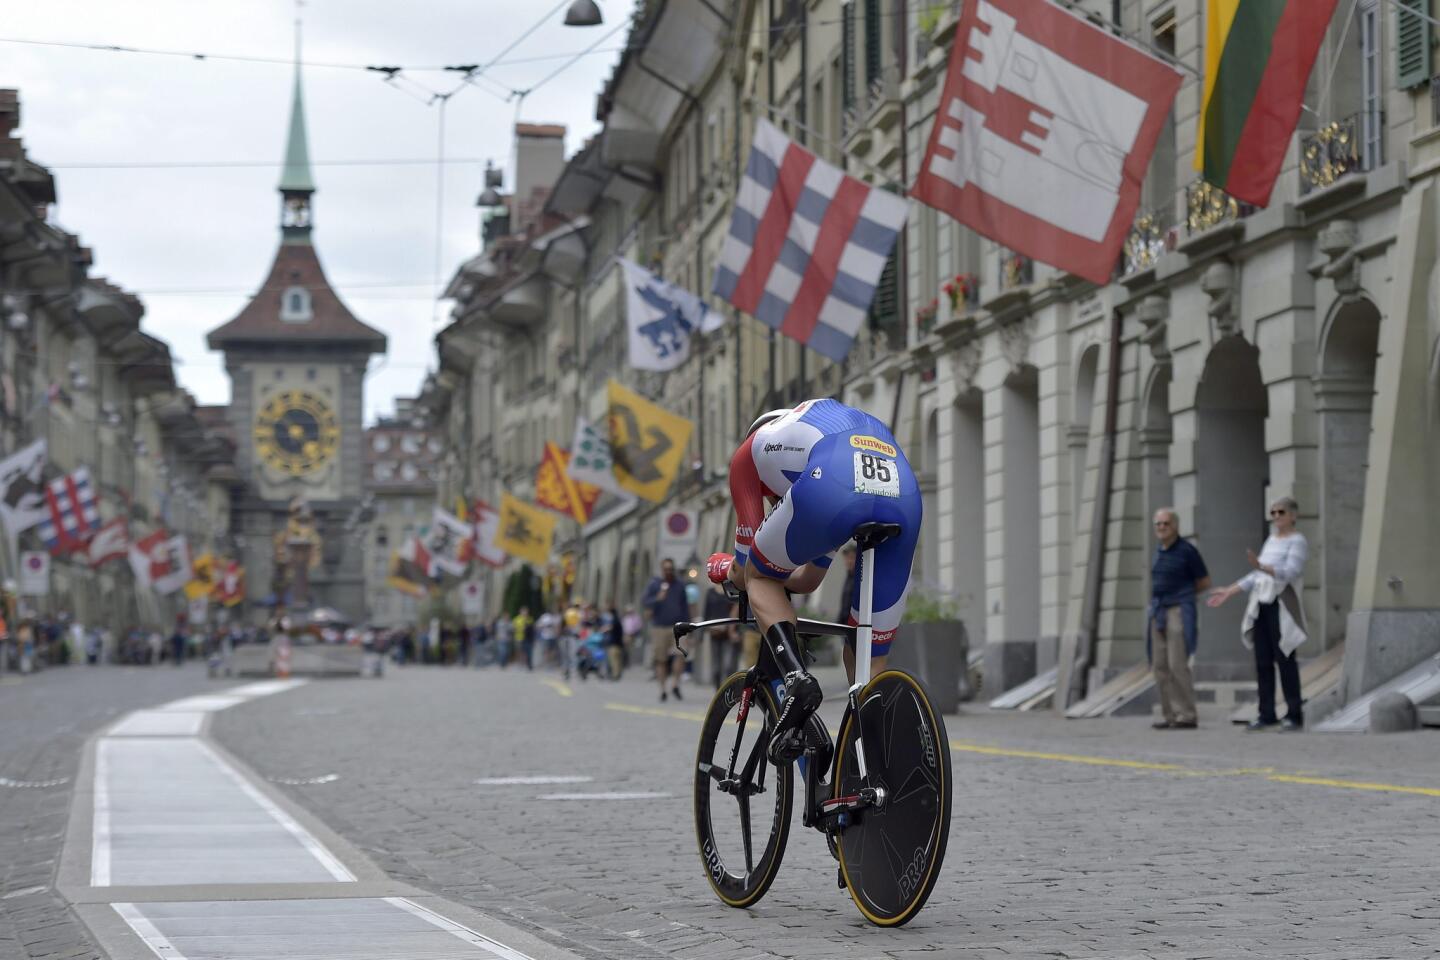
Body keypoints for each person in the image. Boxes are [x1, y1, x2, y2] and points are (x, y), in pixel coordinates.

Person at [707, 399, 921, 764]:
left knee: (760, 578)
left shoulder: (749, 454)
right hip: (903, 493)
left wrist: (725, 568)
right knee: (868, 657)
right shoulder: (819, 430)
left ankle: (796, 681)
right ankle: (872, 769)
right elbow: (808, 580)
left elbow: (747, 572)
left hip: (830, 486)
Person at [1207, 496, 1310, 731]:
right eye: (1272, 513)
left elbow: (1290, 572)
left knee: (1285, 659)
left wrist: (1261, 566)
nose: (1276, 517)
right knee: (1262, 661)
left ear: (1293, 515)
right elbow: (1256, 576)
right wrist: (1229, 591)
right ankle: (1267, 713)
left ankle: (1294, 713)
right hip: (1262, 603)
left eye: (1281, 512)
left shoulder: (1298, 541)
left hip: (1282, 603)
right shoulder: (1271, 540)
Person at [1148, 508, 1211, 730]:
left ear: (1175, 526)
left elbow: (1204, 582)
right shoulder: (1158, 551)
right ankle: (1169, 714)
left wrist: (1183, 595)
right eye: (1158, 524)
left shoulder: (1187, 551)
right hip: (1158, 612)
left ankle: (1186, 714)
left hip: (1178, 610)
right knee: (1160, 665)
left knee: (1177, 664)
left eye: (1165, 523)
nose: (1161, 528)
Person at [643, 559, 691, 701]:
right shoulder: (654, 584)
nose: (669, 571)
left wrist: (688, 626)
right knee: (661, 659)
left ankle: (675, 684)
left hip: (677, 626)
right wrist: (657, 598)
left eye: (671, 569)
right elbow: (645, 601)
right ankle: (663, 689)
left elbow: (685, 607)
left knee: (681, 654)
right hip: (659, 627)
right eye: (666, 569)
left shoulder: (680, 585)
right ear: (662, 570)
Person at [703, 583, 739, 688]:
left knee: (728, 665)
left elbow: (737, 609)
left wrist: (735, 630)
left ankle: (727, 689)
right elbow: (706, 611)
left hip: (729, 632)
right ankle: (718, 690)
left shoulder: (731, 589)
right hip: (715, 632)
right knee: (716, 667)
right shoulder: (710, 592)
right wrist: (704, 629)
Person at [604, 601, 625, 680]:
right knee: (617, 660)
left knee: (614, 660)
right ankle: (618, 674)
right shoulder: (618, 620)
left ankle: (615, 675)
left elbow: (610, 627)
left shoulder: (615, 620)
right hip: (618, 643)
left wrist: (605, 629)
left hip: (614, 643)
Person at [513, 606, 534, 670]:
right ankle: (519, 663)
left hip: (527, 638)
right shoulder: (517, 619)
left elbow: (532, 628)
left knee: (526, 651)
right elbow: (514, 628)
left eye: (526, 611)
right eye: (523, 611)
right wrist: (521, 629)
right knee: (519, 651)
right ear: (520, 612)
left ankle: (526, 663)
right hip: (519, 637)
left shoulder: (530, 619)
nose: (525, 613)